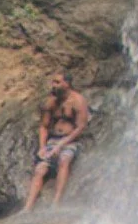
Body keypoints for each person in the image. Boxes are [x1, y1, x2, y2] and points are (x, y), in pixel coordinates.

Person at [24, 71, 90, 210]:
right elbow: (44, 126)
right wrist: (42, 147)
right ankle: (28, 207)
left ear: (67, 83)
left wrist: (61, 145)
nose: (53, 85)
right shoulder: (51, 102)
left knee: (64, 161)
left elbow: (81, 127)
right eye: (53, 82)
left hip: (70, 141)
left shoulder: (78, 101)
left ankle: (56, 201)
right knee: (39, 170)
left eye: (57, 82)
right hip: (52, 140)